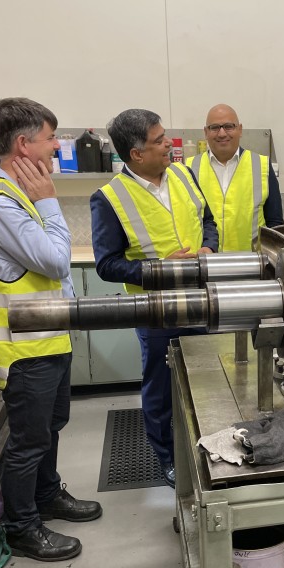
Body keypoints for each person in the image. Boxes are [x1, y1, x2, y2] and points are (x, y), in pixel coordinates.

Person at [0, 98, 102, 562]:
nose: (55, 147)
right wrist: (49, 202)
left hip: (49, 337)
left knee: (52, 427)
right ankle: (22, 526)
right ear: (23, 145)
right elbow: (54, 259)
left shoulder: (18, 194)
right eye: (50, 138)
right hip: (25, 351)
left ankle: (46, 496)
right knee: (28, 441)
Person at [90, 109, 219, 488]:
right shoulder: (109, 198)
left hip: (202, 300)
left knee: (209, 384)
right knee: (162, 390)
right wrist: (159, 268)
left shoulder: (183, 174)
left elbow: (207, 219)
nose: (169, 145)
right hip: (157, 312)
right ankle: (168, 459)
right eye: (160, 140)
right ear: (136, 154)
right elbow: (108, 265)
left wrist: (209, 247)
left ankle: (208, 448)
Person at [186, 104, 283, 250]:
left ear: (240, 129)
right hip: (205, 265)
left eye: (229, 126)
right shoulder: (189, 167)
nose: (222, 133)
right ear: (206, 132)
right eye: (214, 128)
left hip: (252, 264)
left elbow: (275, 222)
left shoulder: (262, 165)